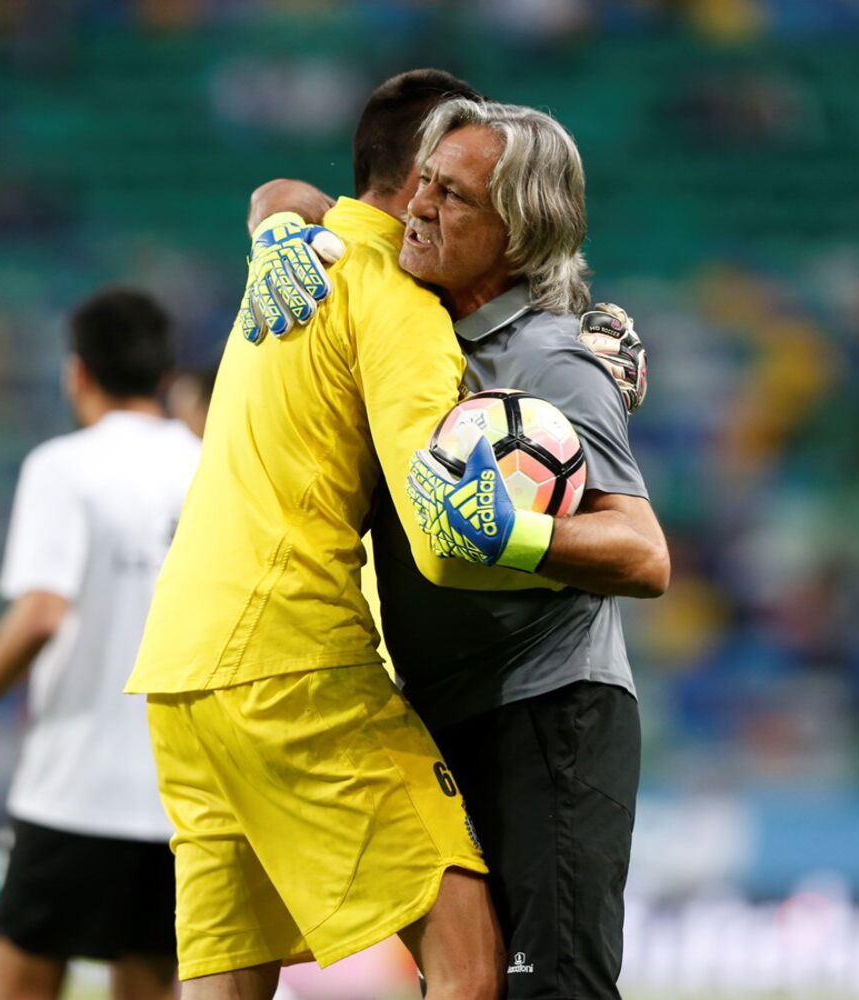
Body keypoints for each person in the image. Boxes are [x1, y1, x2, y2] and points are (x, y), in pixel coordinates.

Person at [126, 69, 547, 1000]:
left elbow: (281, 195)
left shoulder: (288, 263)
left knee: (224, 982)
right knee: (469, 966)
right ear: (425, 177)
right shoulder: (396, 300)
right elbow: (444, 534)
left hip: (181, 671)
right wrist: (557, 548)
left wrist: (271, 210)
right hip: (295, 661)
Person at [247, 94, 668, 1000]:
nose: (420, 206)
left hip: (549, 716)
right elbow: (300, 193)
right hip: (445, 716)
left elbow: (645, 554)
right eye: (425, 182)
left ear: (519, 230)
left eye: (454, 196)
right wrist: (272, 225)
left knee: (552, 988)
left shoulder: (553, 362)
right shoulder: (419, 318)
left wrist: (511, 534)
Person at [0, 287, 200, 1000]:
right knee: (149, 980)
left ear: (77, 372)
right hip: (181, 794)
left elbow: (40, 613)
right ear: (165, 375)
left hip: (74, 789)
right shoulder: (209, 466)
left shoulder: (63, 467)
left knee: (23, 980)